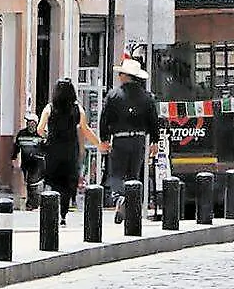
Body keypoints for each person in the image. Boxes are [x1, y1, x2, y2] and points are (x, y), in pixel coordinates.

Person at [100, 59, 161, 224]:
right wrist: (155, 140)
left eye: (120, 73)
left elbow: (104, 119)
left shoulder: (113, 95)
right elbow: (154, 121)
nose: (119, 76)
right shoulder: (147, 97)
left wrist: (104, 139)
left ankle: (120, 198)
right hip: (139, 139)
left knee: (117, 173)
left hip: (119, 139)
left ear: (125, 76)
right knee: (134, 174)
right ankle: (131, 207)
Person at [40, 79, 106, 225]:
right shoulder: (78, 109)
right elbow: (85, 129)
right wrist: (99, 144)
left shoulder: (50, 108)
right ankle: (63, 213)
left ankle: (53, 211)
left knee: (54, 182)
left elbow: (40, 128)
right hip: (70, 151)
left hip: (54, 150)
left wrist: (48, 135)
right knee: (67, 184)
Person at [11, 112, 47, 210]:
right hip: (26, 163)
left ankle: (33, 204)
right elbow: (16, 147)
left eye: (31, 122)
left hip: (38, 163)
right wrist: (13, 158)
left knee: (33, 183)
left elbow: (48, 148)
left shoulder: (42, 134)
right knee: (29, 183)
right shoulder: (21, 134)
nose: (29, 124)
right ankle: (32, 203)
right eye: (28, 122)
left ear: (36, 123)